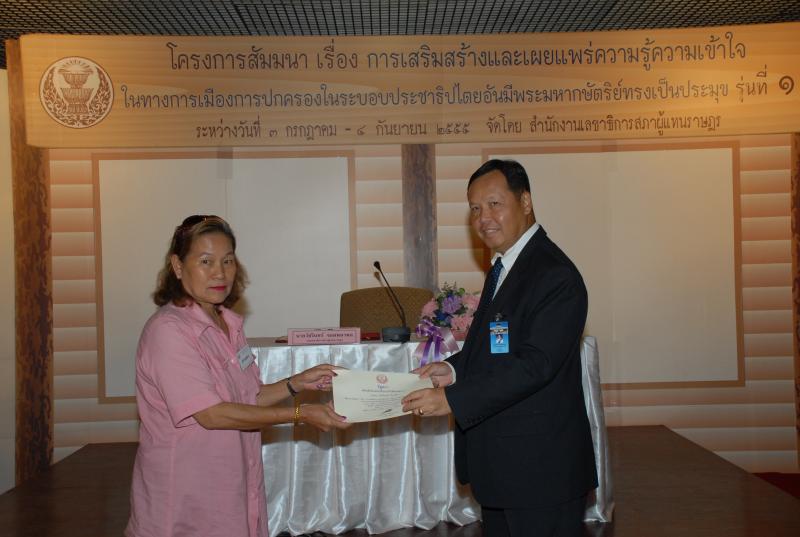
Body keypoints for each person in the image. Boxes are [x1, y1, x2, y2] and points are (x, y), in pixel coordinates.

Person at [402, 160, 597, 537]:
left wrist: (453, 400)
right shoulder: (505, 268)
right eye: (475, 208)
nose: (483, 218)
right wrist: (453, 369)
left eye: (494, 204)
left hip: (540, 472)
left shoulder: (554, 275)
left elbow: (534, 365)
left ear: (525, 201)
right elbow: (498, 347)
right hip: (505, 469)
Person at [125, 215, 351, 537]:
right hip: (187, 490)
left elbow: (248, 397)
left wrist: (296, 383)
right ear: (177, 266)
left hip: (232, 481)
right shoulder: (168, 331)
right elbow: (212, 414)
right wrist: (300, 414)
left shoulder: (227, 324)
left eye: (228, 261)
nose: (220, 273)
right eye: (206, 261)